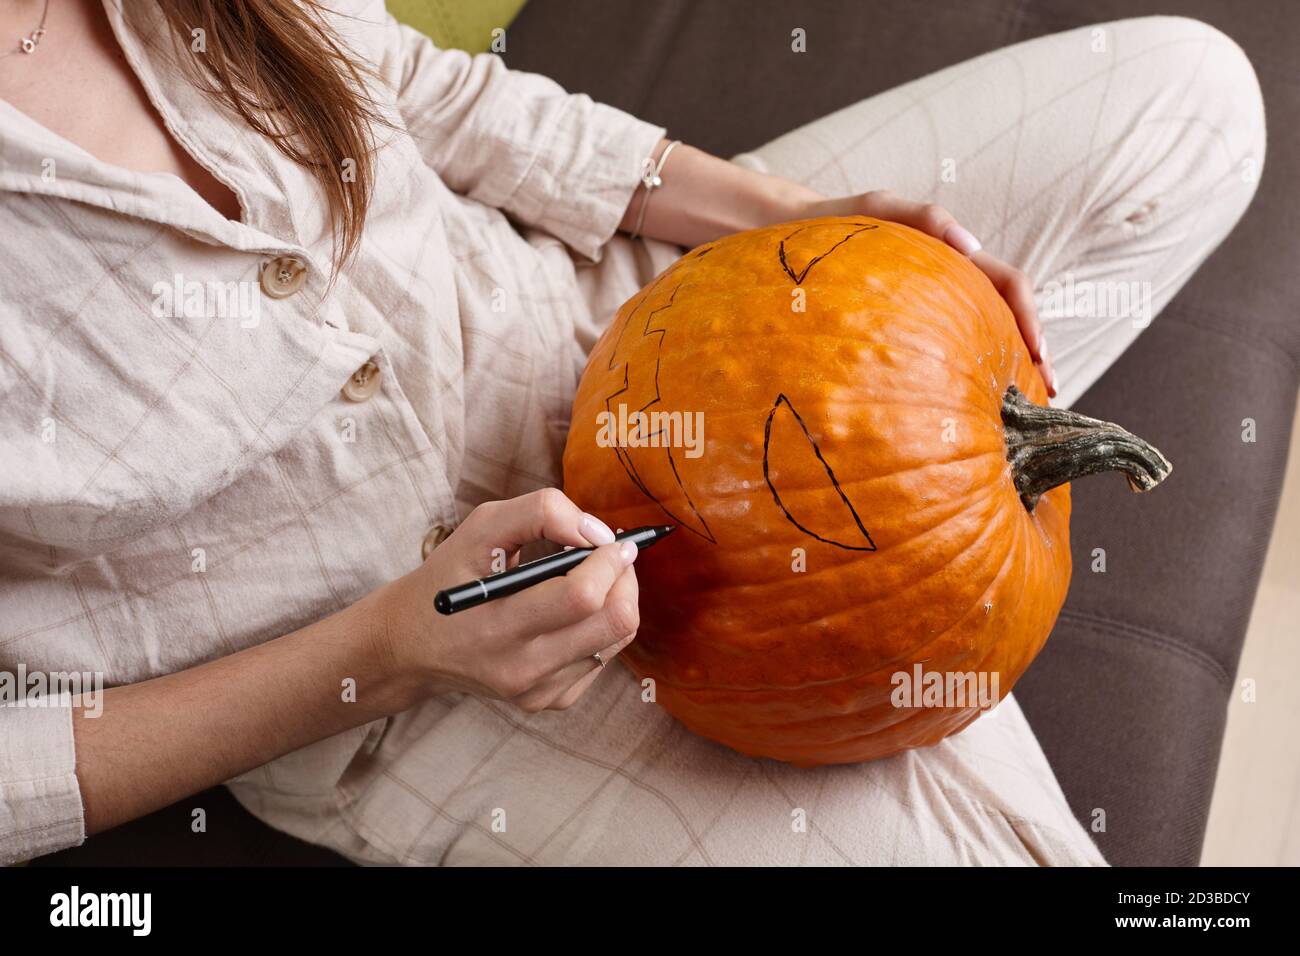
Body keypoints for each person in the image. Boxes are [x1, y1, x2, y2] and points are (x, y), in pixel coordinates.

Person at [0, 0, 1264, 865]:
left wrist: (790, 215)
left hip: (620, 325)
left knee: (1193, 102)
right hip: (420, 676)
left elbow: (427, 92)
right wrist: (389, 653)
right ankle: (883, 566)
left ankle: (898, 537)